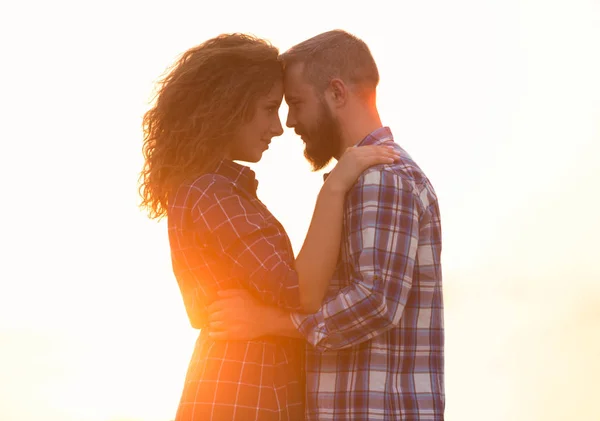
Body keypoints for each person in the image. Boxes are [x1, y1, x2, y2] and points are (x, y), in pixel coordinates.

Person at [139, 33, 400, 421]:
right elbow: (300, 292)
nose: (279, 128)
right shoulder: (212, 194)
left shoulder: (217, 191)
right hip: (245, 395)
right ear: (227, 109)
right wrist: (336, 186)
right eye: (268, 109)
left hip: (248, 390)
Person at [208, 30, 445, 420]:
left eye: (296, 103)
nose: (289, 121)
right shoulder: (358, 179)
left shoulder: (382, 178)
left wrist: (266, 322)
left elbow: (375, 302)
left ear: (336, 93)